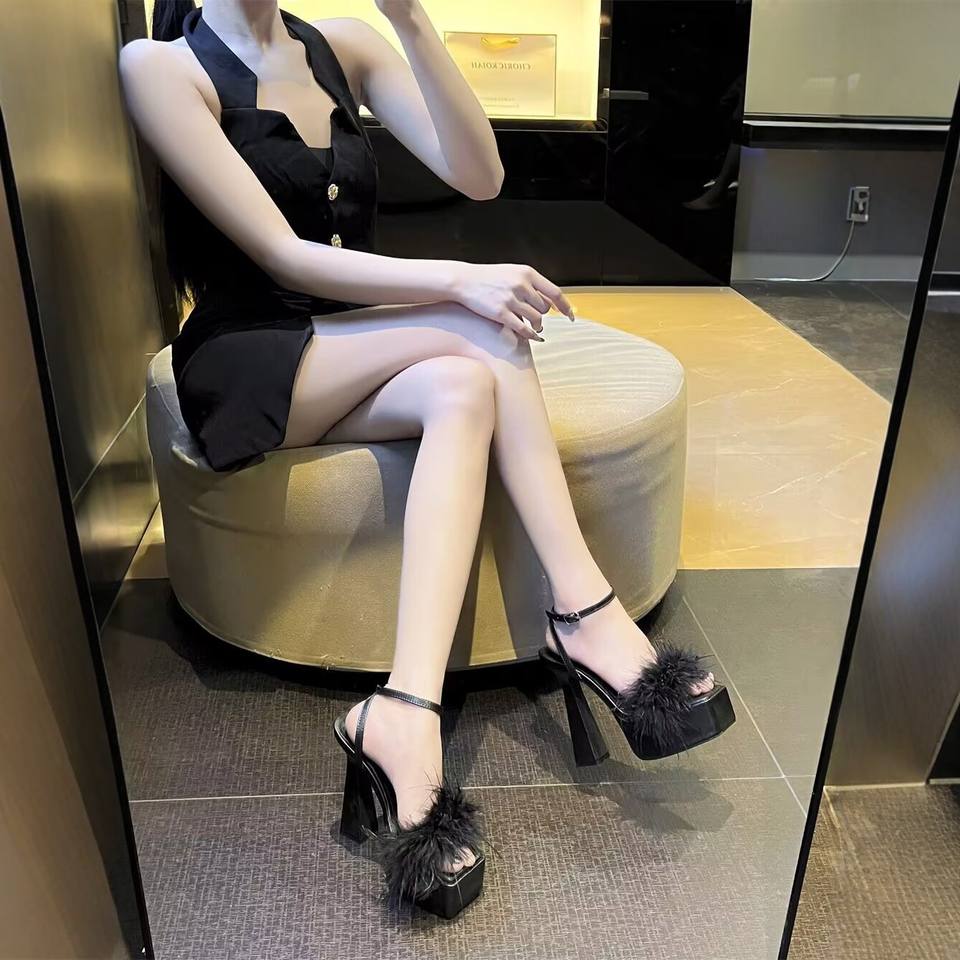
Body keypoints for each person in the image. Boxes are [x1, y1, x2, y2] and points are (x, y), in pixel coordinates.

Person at [120, 0, 731, 919]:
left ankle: (403, 711)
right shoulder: (162, 65)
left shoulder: (343, 45)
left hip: (349, 341)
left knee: (464, 386)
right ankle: (584, 613)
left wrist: (410, 21)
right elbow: (282, 254)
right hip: (250, 357)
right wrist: (458, 282)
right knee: (481, 325)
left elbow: (479, 177)